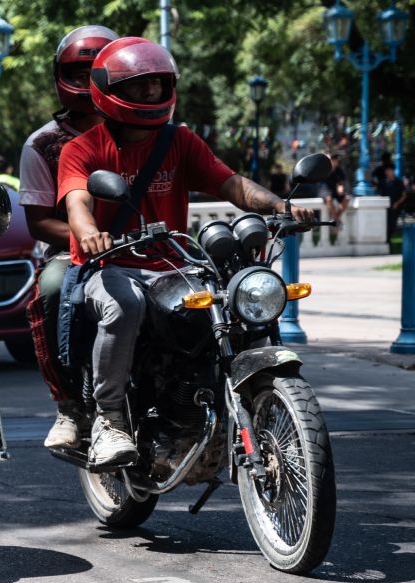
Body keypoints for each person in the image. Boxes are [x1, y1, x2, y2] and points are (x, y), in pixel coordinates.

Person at [56, 37, 316, 466]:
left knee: (227, 305)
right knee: (124, 308)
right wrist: (89, 234)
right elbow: (78, 203)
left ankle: (196, 407)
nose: (151, 93)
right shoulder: (82, 149)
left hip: (173, 264)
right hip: (110, 263)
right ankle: (111, 419)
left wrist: (280, 206)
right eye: (139, 85)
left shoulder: (181, 141)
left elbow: (231, 183)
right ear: (110, 91)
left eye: (157, 84)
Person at [19, 25, 119, 451]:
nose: (86, 83)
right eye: (77, 74)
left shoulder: (149, 131)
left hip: (145, 246)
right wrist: (91, 239)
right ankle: (69, 407)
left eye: (97, 73)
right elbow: (40, 222)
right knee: (51, 291)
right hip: (71, 251)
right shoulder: (43, 144)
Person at [378, 163, 409, 242]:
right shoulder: (383, 182)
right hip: (385, 208)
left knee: (392, 226)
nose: (389, 172)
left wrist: (397, 203)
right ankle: (386, 242)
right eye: (388, 170)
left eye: (391, 170)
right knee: (385, 226)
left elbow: (404, 195)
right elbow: (380, 195)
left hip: (395, 207)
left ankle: (389, 241)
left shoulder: (399, 182)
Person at [320, 153, 350, 224]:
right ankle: (337, 221)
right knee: (329, 199)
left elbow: (341, 183)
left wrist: (341, 188)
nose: (335, 162)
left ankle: (335, 219)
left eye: (336, 160)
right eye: (333, 160)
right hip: (324, 190)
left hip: (334, 191)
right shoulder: (323, 169)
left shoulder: (339, 170)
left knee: (347, 198)